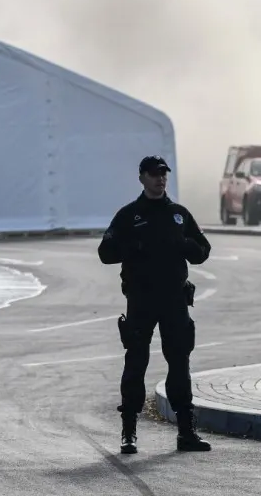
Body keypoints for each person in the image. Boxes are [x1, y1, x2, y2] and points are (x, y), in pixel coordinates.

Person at [98, 155, 212, 454]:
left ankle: (186, 432)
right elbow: (105, 252)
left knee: (179, 363)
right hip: (141, 300)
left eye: (163, 174)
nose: (160, 178)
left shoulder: (179, 214)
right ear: (141, 178)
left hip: (174, 300)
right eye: (153, 174)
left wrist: (183, 245)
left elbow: (203, 250)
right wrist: (135, 246)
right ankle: (129, 432)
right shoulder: (129, 215)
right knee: (136, 363)